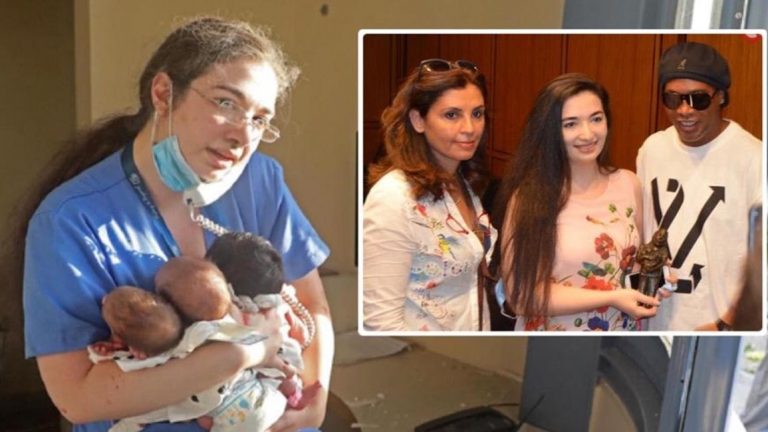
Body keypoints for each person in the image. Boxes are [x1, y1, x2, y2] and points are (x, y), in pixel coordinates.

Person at [17, 16, 332, 431]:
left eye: (259, 119)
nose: (242, 136)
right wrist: (245, 353)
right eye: (226, 103)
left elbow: (312, 304)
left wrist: (313, 402)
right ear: (164, 94)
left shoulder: (260, 182)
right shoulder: (71, 221)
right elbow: (77, 396)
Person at [493, 73, 659, 332]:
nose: (587, 133)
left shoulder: (629, 184)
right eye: (570, 124)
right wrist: (611, 297)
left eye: (596, 119)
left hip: (618, 337)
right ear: (550, 131)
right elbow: (521, 295)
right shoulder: (530, 197)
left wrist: (656, 280)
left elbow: (636, 265)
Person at [362, 58, 497, 331]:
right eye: (452, 115)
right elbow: (380, 322)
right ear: (418, 120)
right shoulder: (393, 198)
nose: (470, 128)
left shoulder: (462, 182)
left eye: (477, 114)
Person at [636, 41, 762, 331]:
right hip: (652, 323)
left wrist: (725, 325)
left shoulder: (754, 160)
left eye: (698, 99)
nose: (684, 110)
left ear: (721, 97)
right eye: (672, 99)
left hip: (716, 327)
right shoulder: (652, 149)